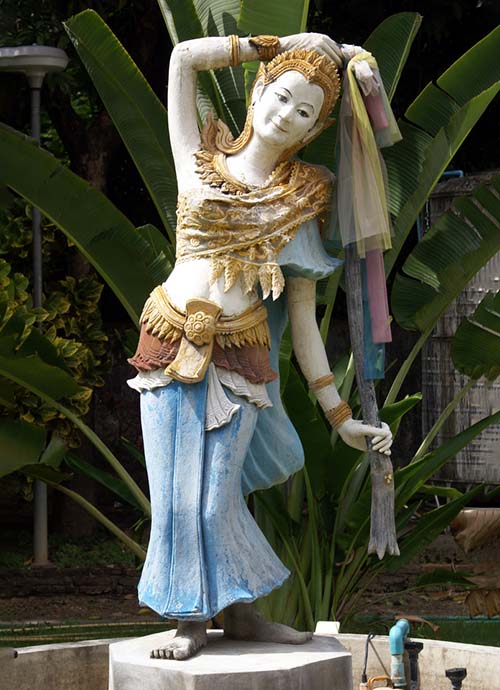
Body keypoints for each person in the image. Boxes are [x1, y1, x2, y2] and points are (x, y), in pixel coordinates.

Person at [127, 32, 393, 661]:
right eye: (280, 96)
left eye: (304, 112)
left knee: (215, 494)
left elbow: (302, 319)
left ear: (311, 130)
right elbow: (182, 59)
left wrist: (341, 416)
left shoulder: (303, 197)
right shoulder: (195, 153)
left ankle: (238, 615)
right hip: (168, 337)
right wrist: (270, 44)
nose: (285, 115)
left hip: (241, 354)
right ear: (258, 93)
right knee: (172, 495)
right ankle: (195, 619)